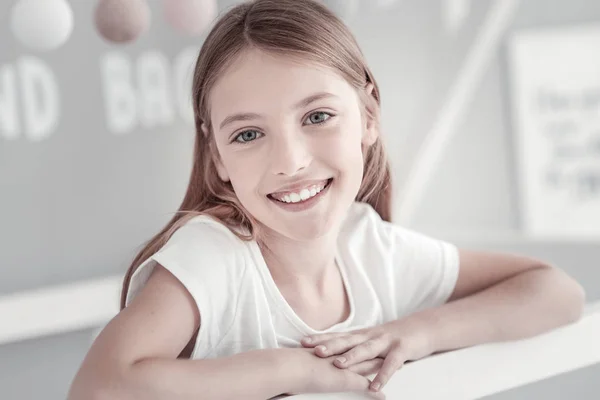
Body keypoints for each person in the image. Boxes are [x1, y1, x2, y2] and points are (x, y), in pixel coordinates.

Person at [68, 0, 586, 399]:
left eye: (316, 117)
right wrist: (293, 370)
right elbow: (100, 388)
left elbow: (557, 293)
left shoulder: (372, 249)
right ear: (217, 155)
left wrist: (419, 332)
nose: (289, 161)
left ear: (367, 117)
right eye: (248, 134)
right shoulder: (214, 256)